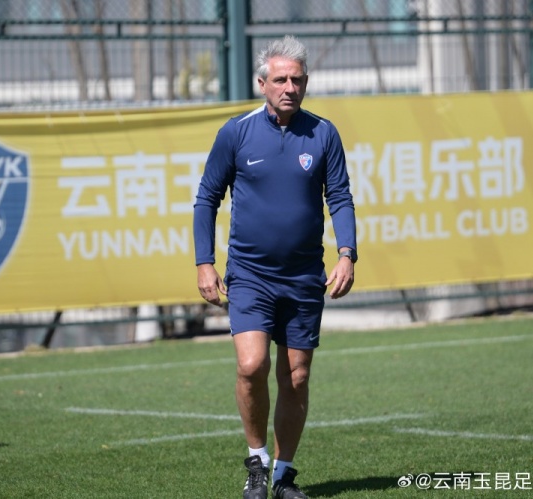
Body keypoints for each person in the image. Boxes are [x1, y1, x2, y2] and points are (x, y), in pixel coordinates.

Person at [193, 35, 357, 499]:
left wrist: (347, 253)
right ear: (262, 83)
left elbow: (340, 196)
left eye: (297, 80)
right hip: (250, 275)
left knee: (296, 376)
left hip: (304, 276)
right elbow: (206, 199)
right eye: (281, 79)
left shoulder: (323, 133)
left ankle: (283, 475)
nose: (290, 87)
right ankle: (257, 463)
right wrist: (205, 263)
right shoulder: (236, 133)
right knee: (252, 365)